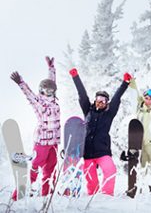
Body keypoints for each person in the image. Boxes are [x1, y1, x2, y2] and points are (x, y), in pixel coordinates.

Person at [69, 67, 131, 196]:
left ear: (107, 103)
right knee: (91, 180)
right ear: (95, 99)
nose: (100, 101)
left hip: (102, 151)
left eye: (104, 100)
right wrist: (75, 77)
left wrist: (125, 83)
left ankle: (107, 195)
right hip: (87, 153)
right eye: (98, 98)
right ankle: (93, 196)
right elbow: (82, 94)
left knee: (111, 170)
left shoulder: (109, 114)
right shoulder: (88, 111)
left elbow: (117, 98)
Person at [10, 56, 60, 200]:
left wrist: (51, 68)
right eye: (46, 91)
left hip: (54, 142)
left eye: (51, 91)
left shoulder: (54, 99)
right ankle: (19, 194)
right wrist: (21, 83)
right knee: (35, 167)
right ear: (41, 91)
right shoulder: (38, 101)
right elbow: (29, 94)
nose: (48, 93)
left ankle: (46, 195)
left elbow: (52, 82)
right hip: (42, 143)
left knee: (50, 170)